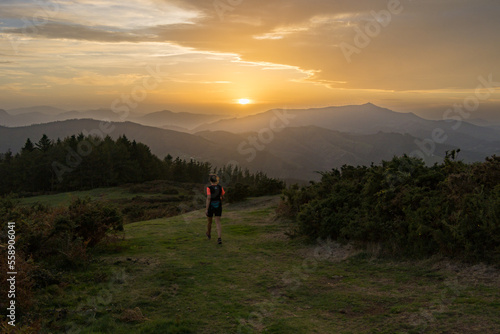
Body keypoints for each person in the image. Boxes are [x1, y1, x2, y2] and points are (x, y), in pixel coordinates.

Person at [206, 174, 225, 244]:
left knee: (209, 222)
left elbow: (208, 198)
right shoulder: (220, 187)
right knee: (218, 222)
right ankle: (219, 238)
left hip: (211, 206)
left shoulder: (209, 188)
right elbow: (222, 196)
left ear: (210, 181)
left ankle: (208, 234)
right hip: (218, 206)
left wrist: (206, 209)